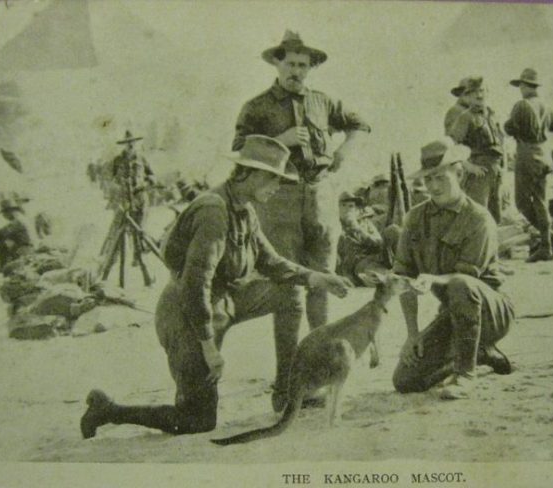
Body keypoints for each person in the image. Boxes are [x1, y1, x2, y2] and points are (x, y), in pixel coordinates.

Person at [79, 136, 351, 439]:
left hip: (225, 301)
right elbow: (196, 285)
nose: (278, 187)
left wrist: (316, 277)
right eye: (274, 179)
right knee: (196, 420)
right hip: (186, 314)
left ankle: (286, 389)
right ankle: (107, 410)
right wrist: (209, 348)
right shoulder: (214, 211)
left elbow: (270, 261)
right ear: (250, 174)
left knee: (290, 292)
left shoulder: (245, 209)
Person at [232, 31, 370, 332]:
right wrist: (280, 140)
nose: (296, 71)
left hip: (320, 195)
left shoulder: (323, 102)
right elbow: (239, 149)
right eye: (291, 64)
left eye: (303, 66)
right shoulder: (256, 107)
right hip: (280, 197)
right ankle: (289, 372)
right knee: (288, 284)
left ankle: (318, 358)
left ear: (310, 68)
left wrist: (344, 150)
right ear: (277, 64)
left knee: (323, 278)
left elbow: (360, 124)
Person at [391, 138, 514, 400]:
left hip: (491, 313)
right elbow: (403, 277)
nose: (433, 186)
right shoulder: (414, 218)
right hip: (453, 315)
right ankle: (479, 353)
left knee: (460, 284)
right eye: (428, 179)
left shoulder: (478, 218)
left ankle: (465, 374)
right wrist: (412, 335)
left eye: (440, 178)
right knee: (405, 380)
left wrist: (433, 278)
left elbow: (466, 279)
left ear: (458, 173)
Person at [504, 68, 553, 262]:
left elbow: (509, 128)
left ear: (526, 86)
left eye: (521, 85)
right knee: (540, 200)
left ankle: (548, 244)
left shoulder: (522, 105)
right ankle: (551, 240)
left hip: (527, 155)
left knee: (523, 202)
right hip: (544, 153)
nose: (520, 88)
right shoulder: (546, 105)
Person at [445, 76, 504, 223]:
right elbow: (451, 145)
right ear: (467, 96)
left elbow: (501, 144)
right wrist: (468, 166)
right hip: (479, 171)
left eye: (482, 91)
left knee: (495, 216)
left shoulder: (492, 114)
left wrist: (503, 171)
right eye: (474, 92)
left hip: (495, 171)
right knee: (477, 216)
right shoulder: (465, 117)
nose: (479, 95)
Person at [336, 191, 387, 285]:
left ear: (355, 209)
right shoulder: (333, 224)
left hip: (370, 259)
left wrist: (358, 229)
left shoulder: (365, 223)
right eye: (343, 205)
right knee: (369, 274)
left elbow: (379, 244)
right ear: (337, 208)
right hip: (351, 265)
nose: (347, 209)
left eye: (351, 206)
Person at [0, 199, 34, 271]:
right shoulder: (18, 219)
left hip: (24, 252)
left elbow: (1, 232)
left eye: (4, 212)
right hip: (24, 249)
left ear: (9, 211)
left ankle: (3, 265)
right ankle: (4, 264)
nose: (3, 215)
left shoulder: (18, 221)